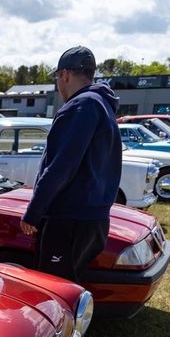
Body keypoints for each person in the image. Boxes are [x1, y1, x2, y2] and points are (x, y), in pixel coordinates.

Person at [19, 46, 122, 284]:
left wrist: (33, 213)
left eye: (57, 78)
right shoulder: (102, 104)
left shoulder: (80, 107)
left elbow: (60, 166)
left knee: (55, 288)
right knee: (70, 286)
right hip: (91, 217)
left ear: (65, 75)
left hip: (69, 219)